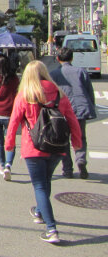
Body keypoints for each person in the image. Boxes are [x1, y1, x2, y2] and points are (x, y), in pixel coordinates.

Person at [5, 61, 82, 243]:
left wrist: (9, 145)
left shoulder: (25, 95)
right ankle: (39, 211)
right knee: (45, 182)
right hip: (56, 146)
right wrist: (76, 143)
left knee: (40, 186)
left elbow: (14, 122)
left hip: (33, 147)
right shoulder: (59, 94)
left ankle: (51, 229)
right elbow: (72, 120)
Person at [49, 47, 95, 179]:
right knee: (80, 137)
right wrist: (90, 105)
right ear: (72, 58)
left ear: (58, 59)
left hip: (62, 111)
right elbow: (89, 91)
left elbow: (52, 94)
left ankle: (67, 169)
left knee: (64, 140)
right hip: (80, 109)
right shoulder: (81, 71)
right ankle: (81, 159)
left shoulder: (54, 74)